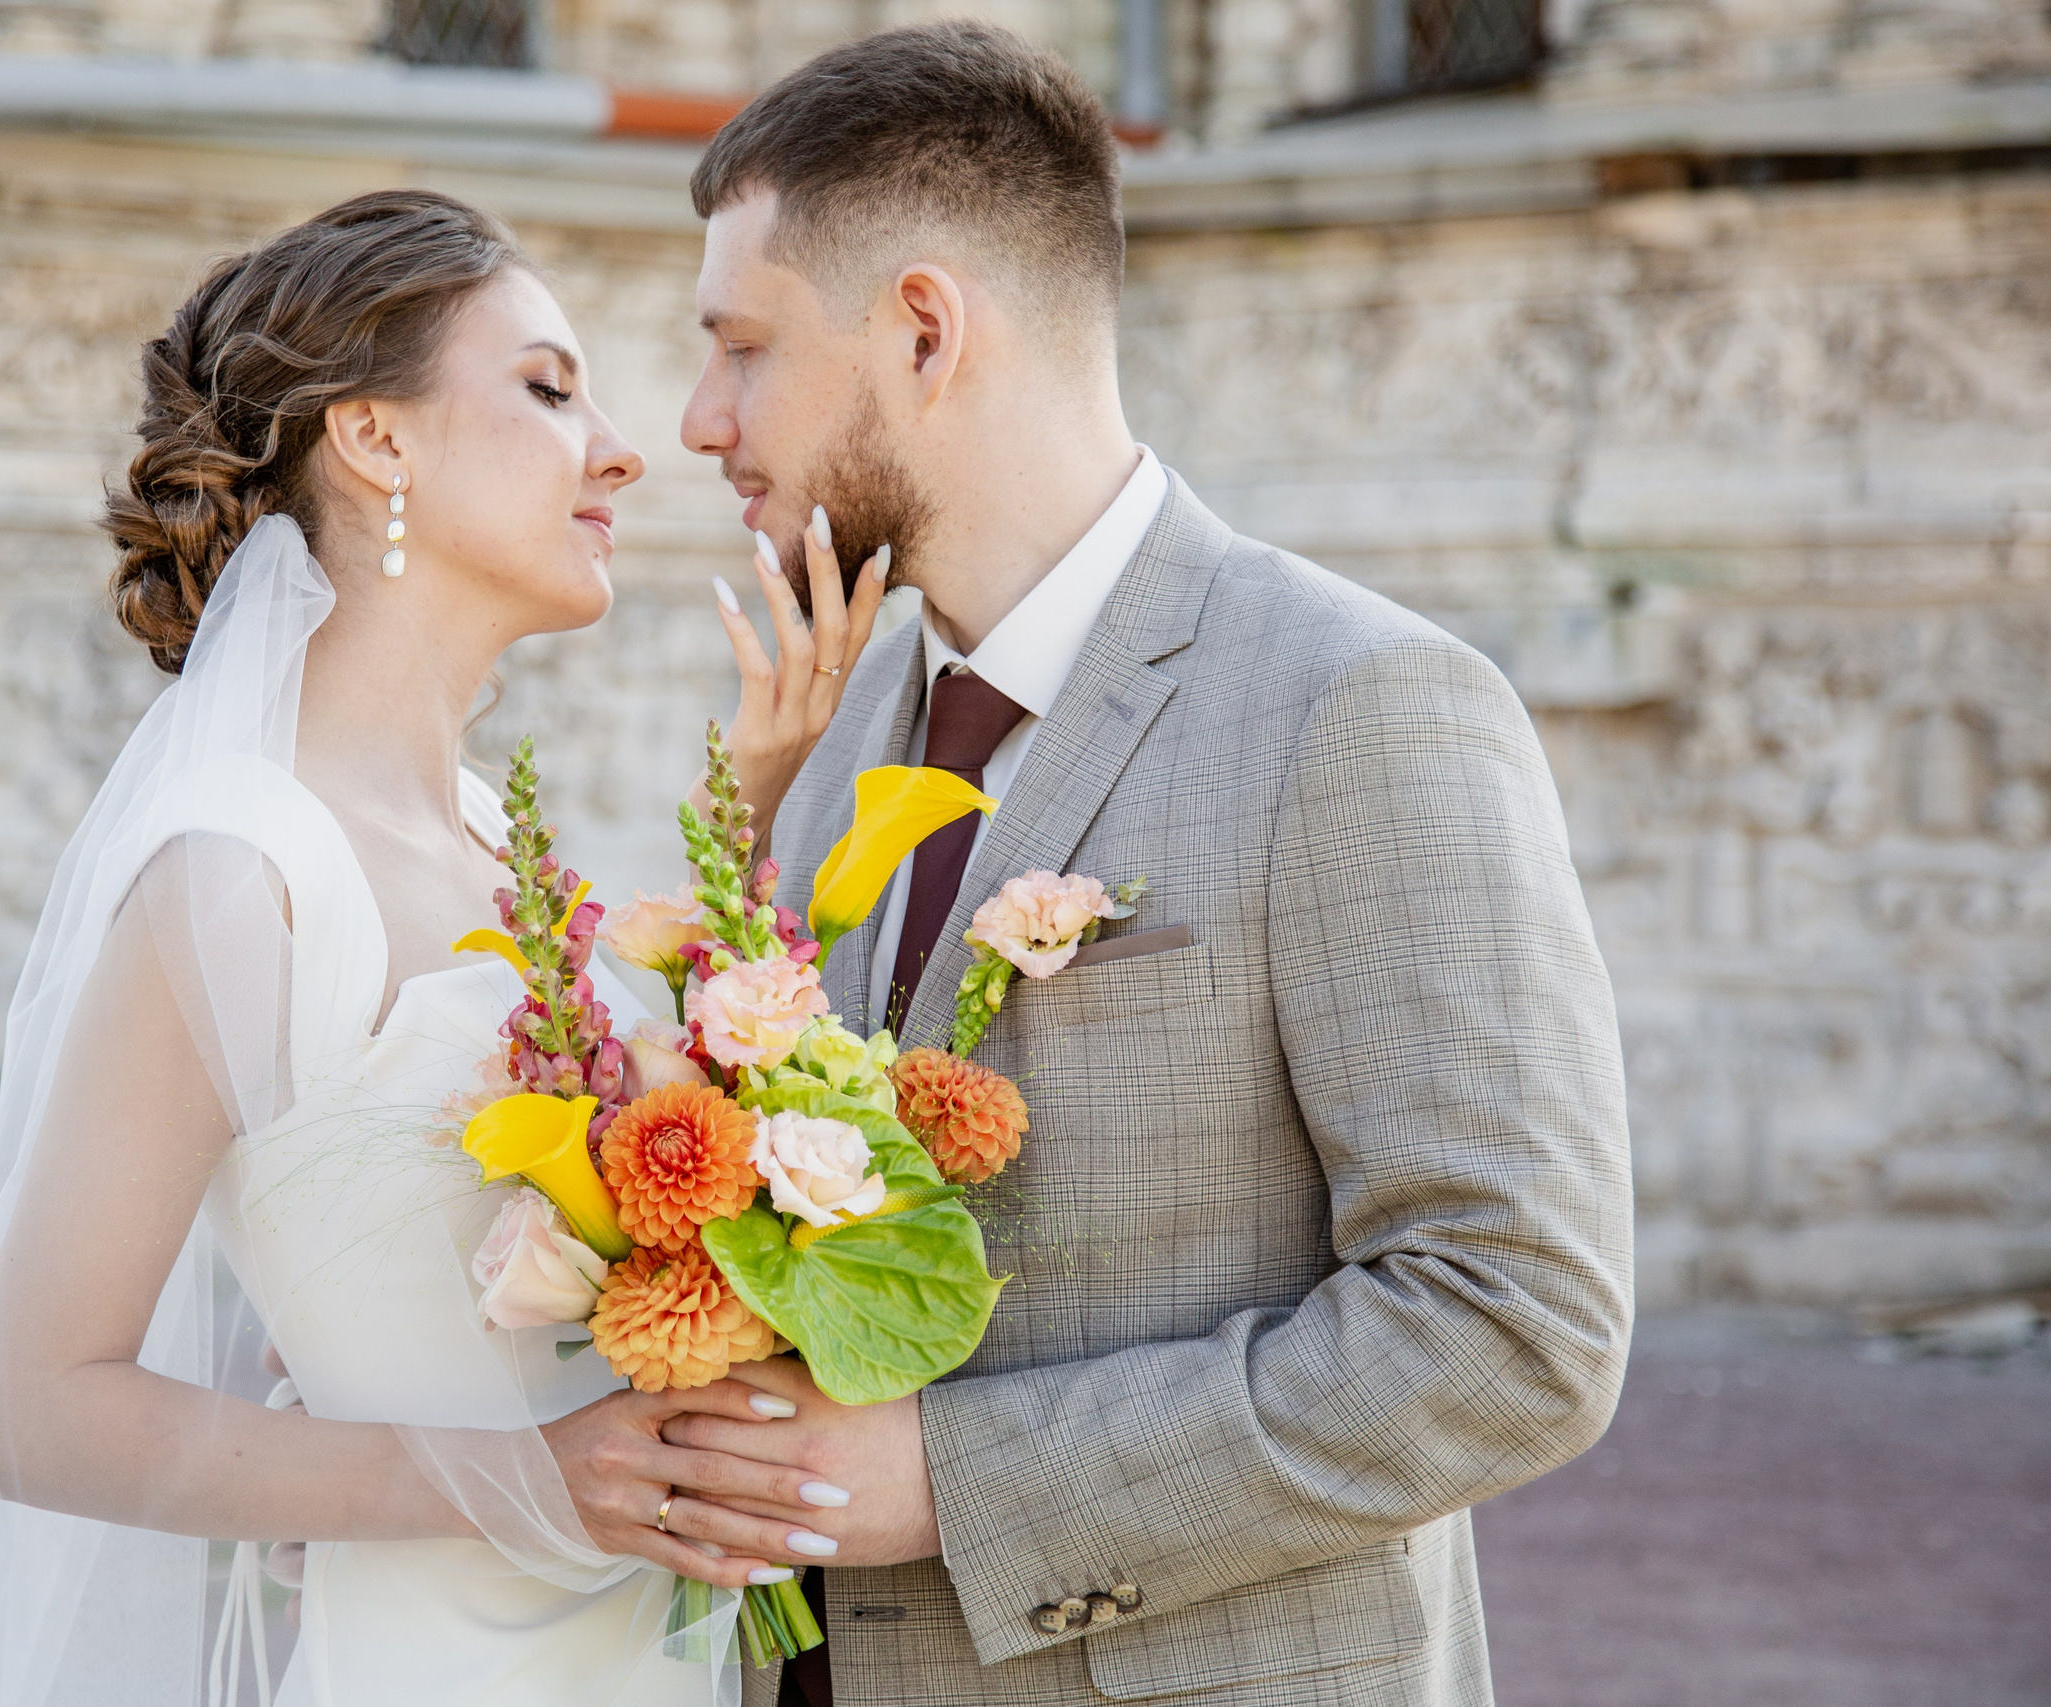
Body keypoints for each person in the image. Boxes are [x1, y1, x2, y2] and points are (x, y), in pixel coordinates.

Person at [663, 23, 1637, 1707]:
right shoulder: (827, 733)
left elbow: (1513, 1326)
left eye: (741, 349)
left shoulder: (1358, 705)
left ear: (921, 328)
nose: (696, 421)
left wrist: (957, 1485)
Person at [0, 189, 889, 1707]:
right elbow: (35, 1411)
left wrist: (747, 824)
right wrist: (521, 1478)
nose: (620, 446)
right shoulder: (240, 870)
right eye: (548, 390)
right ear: (378, 439)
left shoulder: (498, 837)